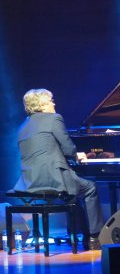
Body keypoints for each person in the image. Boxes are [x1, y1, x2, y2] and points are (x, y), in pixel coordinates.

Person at [13, 88, 104, 249]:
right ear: (41, 105)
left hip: (29, 181)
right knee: (90, 188)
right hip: (53, 178)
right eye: (50, 100)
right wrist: (78, 156)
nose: (54, 103)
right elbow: (68, 149)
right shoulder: (54, 118)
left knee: (75, 194)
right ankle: (95, 237)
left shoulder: (22, 127)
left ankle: (81, 234)